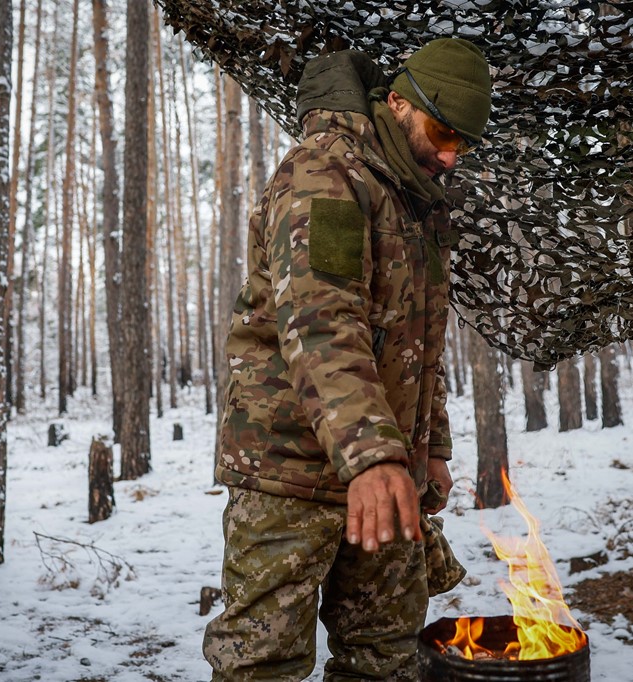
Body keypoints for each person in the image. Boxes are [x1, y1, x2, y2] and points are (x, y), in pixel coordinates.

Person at [203, 38, 493, 681]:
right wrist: (374, 454)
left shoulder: (417, 201)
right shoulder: (326, 176)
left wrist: (429, 447)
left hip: (385, 476)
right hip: (291, 472)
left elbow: (418, 342)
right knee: (263, 666)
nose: (451, 155)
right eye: (443, 131)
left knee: (386, 658)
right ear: (397, 102)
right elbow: (319, 321)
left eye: (464, 143)